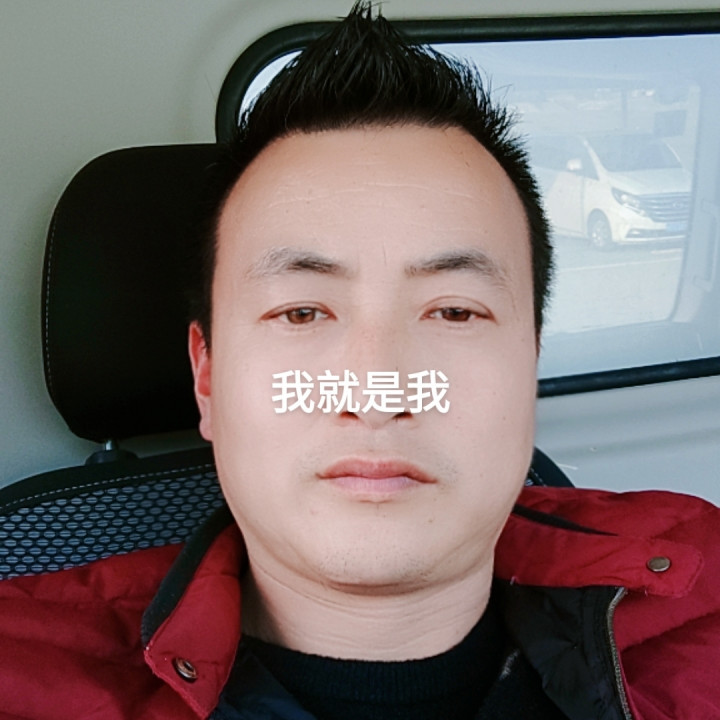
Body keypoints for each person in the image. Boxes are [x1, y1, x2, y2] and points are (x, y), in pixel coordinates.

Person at [1, 3, 719, 719]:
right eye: (301, 313)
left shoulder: (700, 591)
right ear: (208, 378)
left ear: (529, 361)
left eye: (454, 312)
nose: (377, 397)